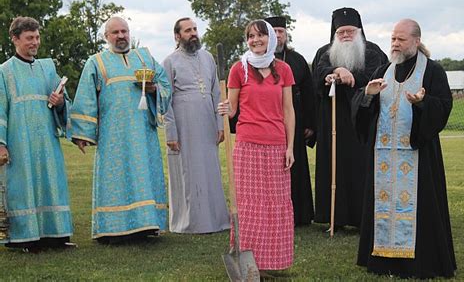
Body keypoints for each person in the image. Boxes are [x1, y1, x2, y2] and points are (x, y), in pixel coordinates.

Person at [352, 19, 456, 278]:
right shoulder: (384, 69)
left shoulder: (433, 72)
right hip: (384, 157)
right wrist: (368, 95)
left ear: (416, 41)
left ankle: (418, 263)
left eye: (401, 39)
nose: (395, 44)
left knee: (421, 208)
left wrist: (422, 104)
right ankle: (382, 260)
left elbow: (443, 107)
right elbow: (361, 107)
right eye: (393, 39)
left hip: (418, 157)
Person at [70, 17, 171, 243]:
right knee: (116, 179)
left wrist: (154, 89)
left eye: (124, 31)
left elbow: (166, 85)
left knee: (144, 175)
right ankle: (112, 229)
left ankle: (147, 225)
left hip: (143, 133)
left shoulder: (144, 58)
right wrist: (82, 133)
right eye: (115, 32)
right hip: (112, 136)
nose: (121, 36)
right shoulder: (96, 62)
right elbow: (86, 98)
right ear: (106, 37)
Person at [218, 19, 295, 272]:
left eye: (260, 35)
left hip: (276, 144)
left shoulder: (283, 69)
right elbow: (232, 109)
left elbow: (288, 110)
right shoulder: (238, 69)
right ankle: (247, 259)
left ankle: (272, 261)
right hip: (247, 144)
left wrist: (290, 147)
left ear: (271, 38)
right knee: (249, 205)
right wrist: (224, 108)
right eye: (250, 36)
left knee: (276, 204)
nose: (255, 40)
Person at [0, 16, 74, 252]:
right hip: (18, 142)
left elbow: (63, 103)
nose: (35, 42)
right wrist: (1, 144)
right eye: (29, 38)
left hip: (47, 141)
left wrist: (60, 101)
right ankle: (24, 238)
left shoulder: (48, 67)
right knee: (22, 187)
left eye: (37, 37)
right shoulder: (4, 71)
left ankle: (56, 235)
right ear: (15, 39)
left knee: (51, 184)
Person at [313, 7, 388, 230]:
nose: (345, 36)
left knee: (360, 169)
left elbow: (376, 78)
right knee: (333, 167)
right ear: (335, 34)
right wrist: (334, 71)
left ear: (359, 31)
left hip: (361, 123)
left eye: (350, 31)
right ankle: (335, 217)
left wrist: (350, 76)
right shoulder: (324, 52)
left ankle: (362, 218)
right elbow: (316, 76)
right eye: (341, 32)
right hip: (332, 122)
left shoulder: (373, 52)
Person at [162, 18, 229, 234]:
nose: (193, 33)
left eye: (195, 29)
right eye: (188, 30)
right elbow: (165, 100)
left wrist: (220, 124)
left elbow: (217, 92)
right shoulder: (170, 61)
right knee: (187, 171)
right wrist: (170, 132)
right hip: (183, 123)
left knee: (210, 170)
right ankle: (188, 221)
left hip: (208, 120)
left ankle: (216, 220)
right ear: (177, 36)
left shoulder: (208, 57)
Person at [265, 16, 315, 226]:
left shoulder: (297, 60)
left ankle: (300, 214)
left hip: (295, 118)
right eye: (273, 31)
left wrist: (310, 123)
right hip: (268, 119)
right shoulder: (258, 60)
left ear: (286, 35)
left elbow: (309, 93)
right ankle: (272, 213)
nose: (278, 35)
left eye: (281, 32)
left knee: (295, 166)